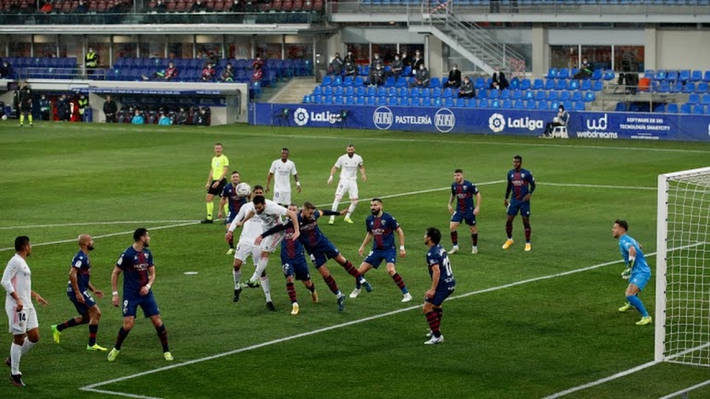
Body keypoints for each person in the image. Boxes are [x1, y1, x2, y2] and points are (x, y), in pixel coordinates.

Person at [257, 201, 371, 312]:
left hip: (323, 243)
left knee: (341, 259)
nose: (312, 216)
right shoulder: (295, 221)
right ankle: (339, 296)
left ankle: (361, 280)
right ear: (304, 211)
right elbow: (278, 228)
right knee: (325, 274)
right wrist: (262, 236)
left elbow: (324, 212)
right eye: (310, 213)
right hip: (313, 251)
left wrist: (339, 213)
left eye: (313, 213)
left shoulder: (314, 215)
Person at [107, 228, 172, 362]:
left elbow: (152, 274)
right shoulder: (127, 254)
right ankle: (116, 349)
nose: (149, 238)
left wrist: (148, 286)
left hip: (146, 294)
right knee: (128, 325)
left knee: (157, 322)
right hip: (130, 294)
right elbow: (115, 273)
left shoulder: (147, 254)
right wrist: (115, 294)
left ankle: (166, 351)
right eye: (147, 236)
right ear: (142, 238)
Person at [230, 195, 301, 306]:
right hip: (267, 231)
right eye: (256, 207)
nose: (258, 210)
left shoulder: (273, 207)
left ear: (264, 204)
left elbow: (292, 214)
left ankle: (254, 279)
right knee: (262, 254)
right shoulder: (255, 206)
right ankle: (254, 280)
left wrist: (297, 231)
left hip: (277, 232)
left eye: (259, 208)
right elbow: (252, 212)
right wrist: (243, 222)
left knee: (264, 254)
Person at [2, 236, 49, 387]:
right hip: (18, 306)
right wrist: (18, 300)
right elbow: (4, 281)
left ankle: (12, 358)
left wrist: (35, 295)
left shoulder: (22, 263)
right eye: (30, 245)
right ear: (26, 246)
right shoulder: (15, 261)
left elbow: (22, 286)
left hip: (27, 305)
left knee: (34, 337)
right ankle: (15, 374)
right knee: (19, 339)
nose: (31, 247)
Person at [50, 234, 107, 351]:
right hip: (77, 291)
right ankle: (91, 344)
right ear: (86, 243)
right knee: (96, 313)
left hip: (80, 290)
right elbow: (72, 274)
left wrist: (93, 290)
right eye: (91, 240)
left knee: (87, 318)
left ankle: (58, 328)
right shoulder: (80, 258)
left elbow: (83, 278)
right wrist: (78, 292)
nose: (93, 242)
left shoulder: (84, 257)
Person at [225, 186, 277, 310]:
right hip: (245, 241)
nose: (258, 194)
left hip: (260, 242)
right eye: (256, 193)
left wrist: (272, 241)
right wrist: (230, 231)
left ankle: (269, 300)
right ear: (252, 194)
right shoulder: (246, 207)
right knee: (236, 265)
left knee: (261, 272)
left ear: (263, 194)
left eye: (260, 192)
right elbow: (237, 219)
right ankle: (237, 287)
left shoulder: (270, 206)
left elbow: (276, 222)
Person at [351, 198, 412, 302]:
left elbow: (400, 231)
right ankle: (357, 289)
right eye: (371, 205)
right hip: (376, 250)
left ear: (381, 206)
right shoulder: (369, 219)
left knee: (391, 270)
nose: (373, 207)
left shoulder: (388, 218)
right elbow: (370, 233)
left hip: (389, 249)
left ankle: (406, 294)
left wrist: (402, 248)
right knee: (359, 272)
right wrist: (363, 246)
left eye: (375, 205)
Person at [278, 204, 318, 315]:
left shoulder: (301, 226)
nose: (291, 211)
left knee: (307, 283)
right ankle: (294, 304)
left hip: (299, 258)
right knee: (289, 279)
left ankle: (313, 290)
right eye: (289, 210)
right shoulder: (284, 225)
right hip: (286, 258)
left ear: (297, 212)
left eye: (293, 210)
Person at [613, 220, 653, 326]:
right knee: (631, 290)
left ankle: (646, 317)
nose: (613, 230)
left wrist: (630, 267)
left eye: (615, 228)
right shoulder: (628, 238)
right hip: (637, 270)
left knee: (629, 294)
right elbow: (639, 246)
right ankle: (631, 304)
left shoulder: (624, 241)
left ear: (621, 229)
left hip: (641, 272)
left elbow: (633, 250)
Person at [422, 227, 455, 345]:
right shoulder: (440, 248)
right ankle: (435, 329)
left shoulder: (432, 253)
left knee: (426, 308)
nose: (424, 237)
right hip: (450, 282)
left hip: (443, 285)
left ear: (430, 238)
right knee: (437, 305)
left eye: (426, 235)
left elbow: (437, 271)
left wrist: (432, 289)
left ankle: (437, 336)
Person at [502, 155, 536, 252]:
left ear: (521, 163)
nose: (515, 164)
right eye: (514, 162)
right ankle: (509, 240)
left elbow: (533, 185)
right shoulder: (510, 174)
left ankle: (528, 243)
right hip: (514, 201)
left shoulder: (527, 174)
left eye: (517, 162)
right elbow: (509, 186)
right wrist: (505, 198)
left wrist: (529, 193)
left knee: (525, 221)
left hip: (524, 201)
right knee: (508, 220)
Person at [327, 144, 366, 225]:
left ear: (354, 150)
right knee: (338, 198)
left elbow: (361, 167)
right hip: (344, 180)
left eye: (351, 150)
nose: (350, 151)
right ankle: (332, 217)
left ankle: (347, 217)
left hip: (353, 181)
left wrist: (363, 174)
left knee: (355, 201)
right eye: (349, 150)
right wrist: (331, 177)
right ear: (346, 150)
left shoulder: (358, 158)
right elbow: (335, 167)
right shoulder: (342, 158)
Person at [447, 169, 482, 255]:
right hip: (459, 210)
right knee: (452, 227)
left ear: (462, 175)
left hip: (469, 210)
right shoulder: (454, 185)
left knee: (472, 229)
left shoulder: (469, 185)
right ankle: (455, 247)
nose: (456, 177)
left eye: (458, 175)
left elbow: (478, 194)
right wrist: (449, 204)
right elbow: (453, 194)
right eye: (455, 175)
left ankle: (474, 247)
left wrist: (477, 207)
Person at [218, 171, 247, 254]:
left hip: (244, 211)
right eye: (234, 177)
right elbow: (223, 199)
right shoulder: (227, 188)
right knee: (228, 228)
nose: (235, 178)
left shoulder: (244, 187)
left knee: (249, 228)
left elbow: (250, 197)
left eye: (237, 177)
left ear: (239, 178)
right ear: (231, 178)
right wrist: (220, 211)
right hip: (233, 210)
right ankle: (231, 247)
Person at [202, 142, 229, 224]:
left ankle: (228, 218)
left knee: (224, 199)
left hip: (221, 181)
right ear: (214, 149)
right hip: (214, 181)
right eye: (216, 148)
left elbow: (225, 171)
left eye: (219, 148)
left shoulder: (224, 158)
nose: (218, 150)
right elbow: (212, 171)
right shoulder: (213, 159)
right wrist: (208, 182)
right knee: (209, 197)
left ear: (222, 149)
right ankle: (209, 218)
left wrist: (218, 181)